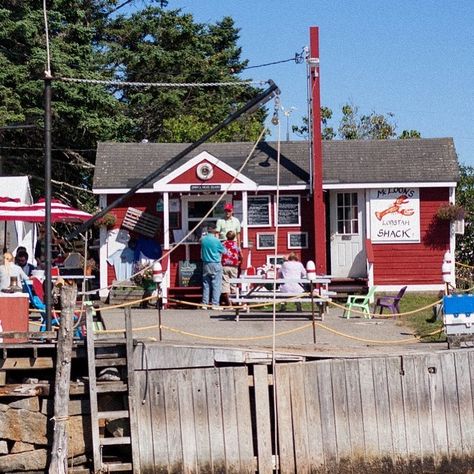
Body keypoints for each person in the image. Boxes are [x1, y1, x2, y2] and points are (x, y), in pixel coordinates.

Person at [200, 223, 225, 310]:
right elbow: (224, 251)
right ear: (214, 230)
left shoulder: (203, 240)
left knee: (206, 284)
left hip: (206, 263)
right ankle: (215, 304)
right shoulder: (216, 241)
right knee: (216, 284)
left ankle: (205, 303)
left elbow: (200, 241)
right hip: (215, 263)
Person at [221, 230, 242, 307]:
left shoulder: (223, 244)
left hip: (225, 265)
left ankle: (229, 303)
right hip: (234, 266)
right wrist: (240, 262)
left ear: (226, 236)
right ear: (234, 237)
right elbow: (241, 255)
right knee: (233, 284)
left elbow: (220, 254)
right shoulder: (236, 245)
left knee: (225, 284)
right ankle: (234, 302)